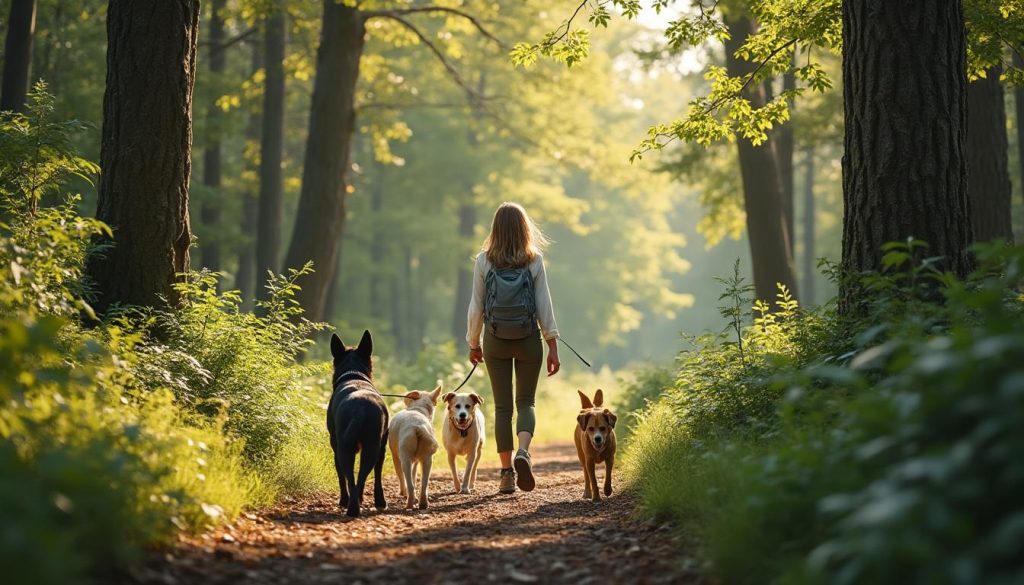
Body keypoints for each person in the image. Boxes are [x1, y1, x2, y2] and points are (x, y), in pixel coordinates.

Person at [466, 202, 560, 494]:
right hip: (529, 339)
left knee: (503, 408)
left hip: (495, 340)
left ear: (495, 229)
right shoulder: (534, 260)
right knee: (526, 403)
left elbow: (476, 306)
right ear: (524, 229)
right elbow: (544, 305)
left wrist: (473, 342)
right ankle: (523, 451)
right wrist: (552, 344)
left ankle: (506, 475)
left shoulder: (484, 260)